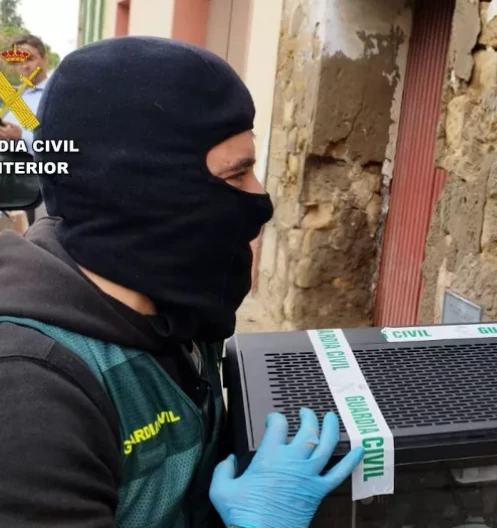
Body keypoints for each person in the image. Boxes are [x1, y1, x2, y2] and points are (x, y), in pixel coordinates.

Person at [0, 36, 362, 527]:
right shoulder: (28, 392)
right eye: (237, 177)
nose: (260, 198)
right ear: (146, 193)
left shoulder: (175, 304)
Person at [0, 34, 49, 230]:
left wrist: (21, 137)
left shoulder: (56, 93)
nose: (24, 66)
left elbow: (59, 143)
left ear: (44, 59)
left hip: (33, 187)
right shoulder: (15, 95)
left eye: (30, 58)